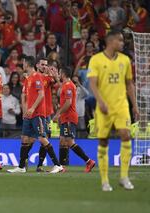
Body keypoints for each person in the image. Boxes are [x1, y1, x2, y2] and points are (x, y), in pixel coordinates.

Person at [88, 30, 139, 191]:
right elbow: (93, 84)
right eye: (120, 40)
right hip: (103, 107)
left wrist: (134, 105)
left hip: (121, 105)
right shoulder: (96, 60)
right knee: (103, 140)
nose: (123, 43)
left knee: (126, 135)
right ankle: (105, 180)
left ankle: (124, 176)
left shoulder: (125, 60)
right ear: (111, 42)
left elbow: (129, 84)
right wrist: (101, 102)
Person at [7, 56, 63, 174]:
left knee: (42, 138)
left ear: (27, 64)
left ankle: (58, 165)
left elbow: (41, 94)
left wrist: (32, 108)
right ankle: (21, 166)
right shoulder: (28, 79)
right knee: (25, 138)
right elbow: (27, 96)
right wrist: (26, 109)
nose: (22, 65)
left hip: (37, 113)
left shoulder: (37, 77)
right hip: (29, 114)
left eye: (23, 63)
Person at [52, 67, 95, 172]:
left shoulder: (69, 86)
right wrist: (56, 78)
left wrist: (58, 114)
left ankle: (89, 161)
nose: (59, 75)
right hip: (65, 117)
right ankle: (61, 167)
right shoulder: (67, 85)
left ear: (63, 74)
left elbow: (68, 103)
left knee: (69, 142)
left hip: (69, 117)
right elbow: (61, 90)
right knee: (62, 141)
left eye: (60, 73)